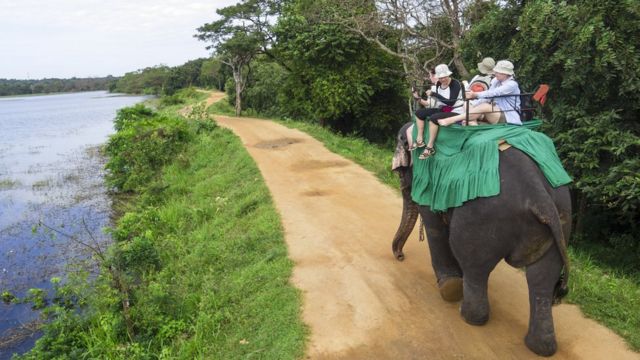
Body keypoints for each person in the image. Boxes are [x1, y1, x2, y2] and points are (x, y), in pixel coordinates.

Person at [437, 60, 522, 127]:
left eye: (497, 72)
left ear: (505, 74)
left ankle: (452, 119)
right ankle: (473, 122)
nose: (495, 73)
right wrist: (473, 105)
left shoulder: (512, 84)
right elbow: (487, 98)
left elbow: (493, 93)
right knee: (467, 103)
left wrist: (475, 95)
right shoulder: (495, 80)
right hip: (491, 111)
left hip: (507, 114)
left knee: (485, 106)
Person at [411, 64, 463, 159]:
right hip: (443, 108)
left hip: (456, 110)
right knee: (419, 113)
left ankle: (430, 147)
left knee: (434, 118)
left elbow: (451, 102)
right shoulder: (438, 84)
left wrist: (434, 94)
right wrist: (418, 97)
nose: (443, 79)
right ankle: (420, 140)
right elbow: (432, 102)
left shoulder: (455, 84)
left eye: (445, 77)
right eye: (440, 77)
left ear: (448, 75)